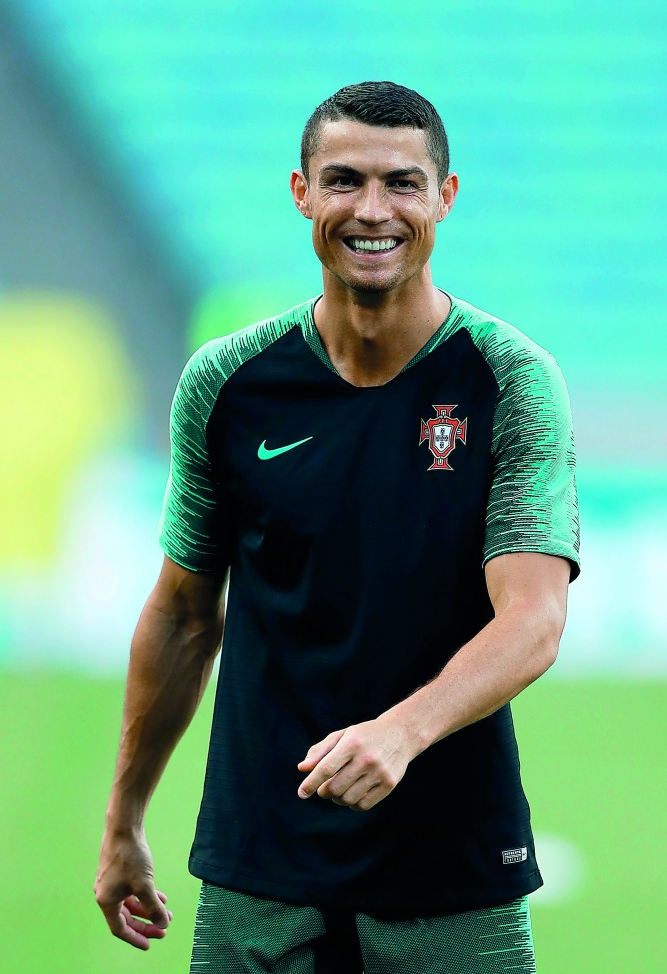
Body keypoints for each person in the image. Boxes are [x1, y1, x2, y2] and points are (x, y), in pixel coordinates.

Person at [95, 81, 579, 973]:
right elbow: (183, 615)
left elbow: (533, 619)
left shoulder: (509, 379)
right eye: (343, 180)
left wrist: (398, 731)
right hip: (259, 868)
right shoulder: (227, 383)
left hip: (451, 874)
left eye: (400, 183)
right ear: (301, 192)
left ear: (444, 196)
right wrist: (123, 817)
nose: (371, 210)